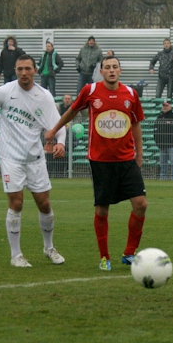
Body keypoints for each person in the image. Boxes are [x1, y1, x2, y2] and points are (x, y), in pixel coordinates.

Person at [44, 56, 147, 271]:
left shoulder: (130, 94)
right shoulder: (90, 91)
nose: (111, 70)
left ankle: (129, 253)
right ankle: (104, 257)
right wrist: (54, 130)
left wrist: (139, 152)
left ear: (120, 70)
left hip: (127, 159)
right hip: (101, 161)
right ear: (101, 72)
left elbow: (136, 123)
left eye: (115, 67)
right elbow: (72, 111)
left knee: (141, 204)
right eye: (107, 67)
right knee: (102, 210)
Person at [0, 54, 66, 267]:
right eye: (19, 69)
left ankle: (49, 247)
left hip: (35, 158)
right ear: (15, 70)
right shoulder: (5, 91)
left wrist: (61, 142)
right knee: (16, 203)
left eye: (27, 68)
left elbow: (57, 124)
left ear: (35, 70)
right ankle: (16, 255)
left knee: (44, 204)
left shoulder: (44, 96)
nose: (23, 73)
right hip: (10, 157)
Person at [154, 100, 173, 180]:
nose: (165, 107)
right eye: (164, 106)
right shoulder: (159, 117)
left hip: (172, 145)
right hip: (162, 145)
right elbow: (155, 130)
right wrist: (158, 142)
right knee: (163, 163)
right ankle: (163, 178)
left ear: (170, 106)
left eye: (166, 106)